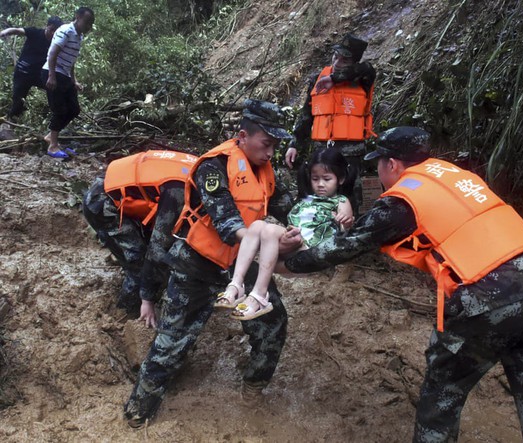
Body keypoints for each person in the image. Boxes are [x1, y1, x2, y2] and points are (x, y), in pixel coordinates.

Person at [281, 127, 523, 442]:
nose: (378, 172)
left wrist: (288, 264)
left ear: (392, 164)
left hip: (486, 299)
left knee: (442, 396)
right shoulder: (452, 176)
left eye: (378, 164)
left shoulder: (404, 198)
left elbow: (345, 247)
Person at [123, 99, 303, 428]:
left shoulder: (264, 169)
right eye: (266, 144)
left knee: (273, 324)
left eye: (276, 145)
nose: (271, 153)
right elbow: (227, 223)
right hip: (198, 266)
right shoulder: (214, 166)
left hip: (241, 265)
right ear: (243, 136)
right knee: (171, 343)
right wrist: (274, 240)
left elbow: (290, 206)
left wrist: (321, 214)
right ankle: (139, 411)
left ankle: (253, 387)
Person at [215, 147, 356, 320]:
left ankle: (260, 295)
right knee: (257, 225)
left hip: (312, 248)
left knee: (269, 228)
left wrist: (346, 222)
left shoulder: (340, 201)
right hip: (293, 241)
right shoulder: (306, 200)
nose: (320, 184)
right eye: (315, 179)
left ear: (340, 179)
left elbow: (345, 233)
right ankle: (236, 284)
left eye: (327, 179)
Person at [82, 150, 199, 323]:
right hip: (102, 202)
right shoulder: (178, 191)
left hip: (118, 186)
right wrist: (147, 299)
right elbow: (157, 248)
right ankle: (126, 314)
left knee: (154, 258)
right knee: (138, 261)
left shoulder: (202, 169)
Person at [285, 33, 377, 213]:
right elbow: (306, 114)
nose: (337, 63)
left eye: (344, 60)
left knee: (351, 203)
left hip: (351, 155)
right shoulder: (317, 79)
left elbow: (367, 68)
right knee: (318, 201)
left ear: (354, 62)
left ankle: (348, 237)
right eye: (336, 56)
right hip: (323, 151)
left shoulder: (363, 78)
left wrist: (334, 79)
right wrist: (294, 143)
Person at [41, 6, 94, 159]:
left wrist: (74, 81)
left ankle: (51, 136)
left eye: (91, 23)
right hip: (53, 73)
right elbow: (52, 54)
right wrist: (51, 76)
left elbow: (71, 61)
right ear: (77, 16)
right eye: (87, 21)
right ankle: (52, 146)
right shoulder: (66, 30)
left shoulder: (79, 36)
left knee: (74, 109)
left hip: (64, 75)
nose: (88, 26)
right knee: (60, 110)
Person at [0, 16, 63, 121]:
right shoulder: (35, 32)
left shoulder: (57, 41)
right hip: (22, 73)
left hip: (39, 75)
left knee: (54, 88)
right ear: (46, 26)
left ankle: (56, 115)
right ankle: (10, 119)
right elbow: (17, 30)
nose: (53, 33)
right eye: (51, 29)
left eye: (55, 31)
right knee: (18, 102)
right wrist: (4, 33)